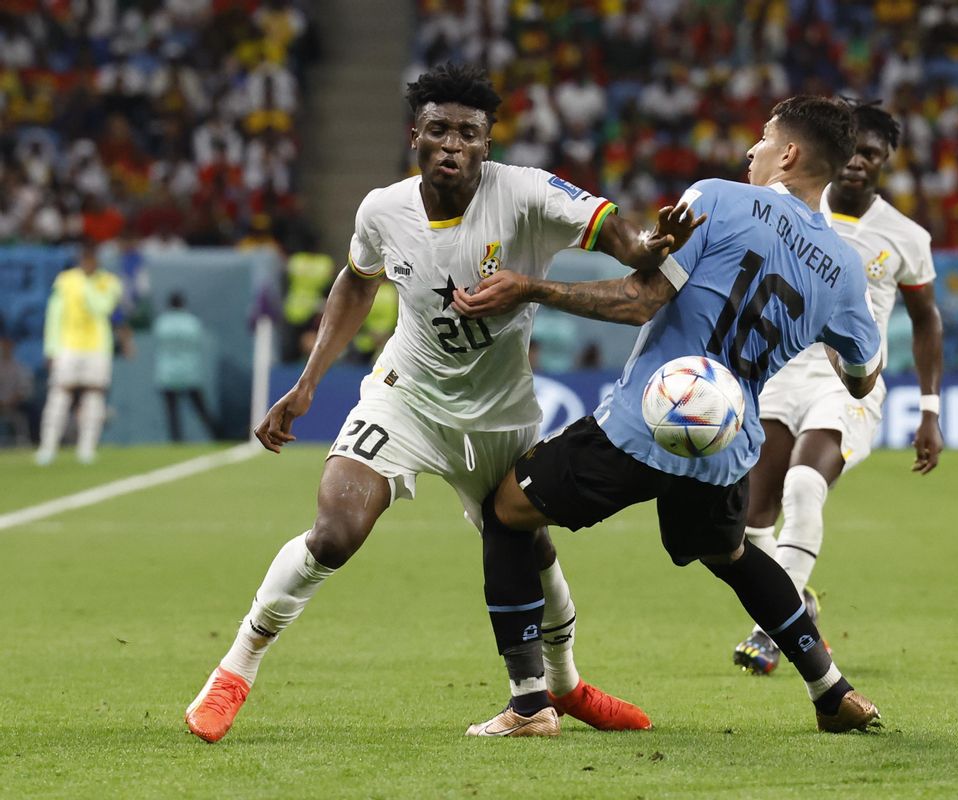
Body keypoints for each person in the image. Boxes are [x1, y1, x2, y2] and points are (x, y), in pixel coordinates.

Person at [184, 64, 702, 743]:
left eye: (468, 132)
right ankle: (234, 671)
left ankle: (565, 686)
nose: (452, 144)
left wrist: (650, 245)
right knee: (335, 531)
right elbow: (357, 281)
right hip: (407, 397)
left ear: (487, 144)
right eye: (439, 131)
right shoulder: (381, 210)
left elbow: (620, 236)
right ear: (415, 137)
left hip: (500, 412)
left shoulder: (525, 193)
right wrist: (307, 383)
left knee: (527, 546)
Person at [453, 95, 884, 736]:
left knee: (507, 510)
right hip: (727, 441)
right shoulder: (846, 266)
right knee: (732, 552)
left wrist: (531, 287)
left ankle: (529, 704)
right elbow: (861, 376)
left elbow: (637, 302)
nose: (752, 150)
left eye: (764, 139)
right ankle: (832, 690)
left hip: (645, 420)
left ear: (789, 154)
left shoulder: (717, 197)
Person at [731, 102, 945, 675]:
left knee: (804, 484)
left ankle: (770, 630)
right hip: (780, 369)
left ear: (884, 163)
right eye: (853, 152)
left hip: (849, 382)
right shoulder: (793, 209)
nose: (859, 163)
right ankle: (797, 599)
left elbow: (926, 319)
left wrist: (929, 409)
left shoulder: (904, 236)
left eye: (872, 155)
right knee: (751, 515)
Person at [35, 242, 122, 465]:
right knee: (59, 395)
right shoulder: (65, 281)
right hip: (69, 347)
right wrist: (51, 348)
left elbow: (102, 308)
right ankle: (48, 447)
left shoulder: (108, 282)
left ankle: (87, 448)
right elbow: (55, 315)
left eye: (92, 259)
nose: (88, 262)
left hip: (96, 347)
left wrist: (87, 285)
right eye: (85, 258)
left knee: (94, 396)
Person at [153, 292, 220, 442]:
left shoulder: (162, 323)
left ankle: (176, 440)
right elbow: (196, 341)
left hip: (167, 373)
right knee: (201, 409)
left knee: (172, 412)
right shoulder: (192, 322)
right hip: (189, 372)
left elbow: (159, 341)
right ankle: (217, 435)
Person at [0, 336, 34, 445]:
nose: (4, 350)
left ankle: (24, 441)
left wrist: (10, 401)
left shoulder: (20, 368)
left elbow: (24, 390)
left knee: (30, 411)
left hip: (15, 404)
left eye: (7, 348)